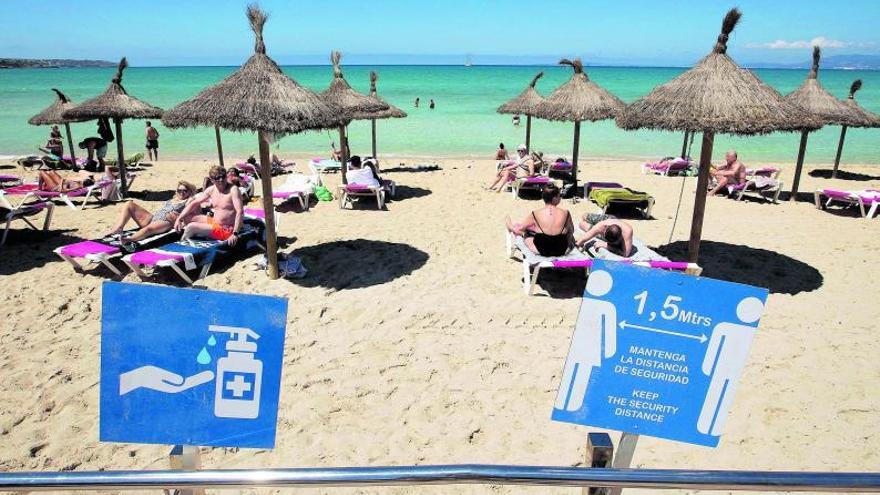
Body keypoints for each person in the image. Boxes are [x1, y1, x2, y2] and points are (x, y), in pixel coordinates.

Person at [174, 165, 244, 246]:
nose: (221, 180)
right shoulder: (211, 190)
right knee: (187, 217)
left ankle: (183, 245)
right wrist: (179, 218)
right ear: (212, 180)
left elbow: (240, 211)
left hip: (227, 229)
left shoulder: (233, 190)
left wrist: (235, 233)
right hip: (215, 222)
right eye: (217, 178)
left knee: (191, 227)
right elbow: (194, 203)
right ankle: (200, 233)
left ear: (226, 176)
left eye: (223, 176)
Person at [107, 181, 197, 242]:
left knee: (148, 229)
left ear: (190, 192)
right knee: (129, 204)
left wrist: (191, 198)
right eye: (179, 190)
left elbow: (192, 210)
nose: (182, 192)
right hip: (153, 218)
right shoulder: (174, 198)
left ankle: (129, 240)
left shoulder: (189, 200)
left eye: (185, 190)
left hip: (166, 222)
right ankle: (119, 227)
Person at [506, 183, 574, 256]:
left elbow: (521, 229)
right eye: (559, 196)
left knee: (526, 234)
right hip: (561, 250)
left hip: (541, 250)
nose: (560, 198)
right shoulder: (566, 213)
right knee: (568, 235)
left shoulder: (535, 213)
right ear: (554, 198)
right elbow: (571, 230)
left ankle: (510, 226)